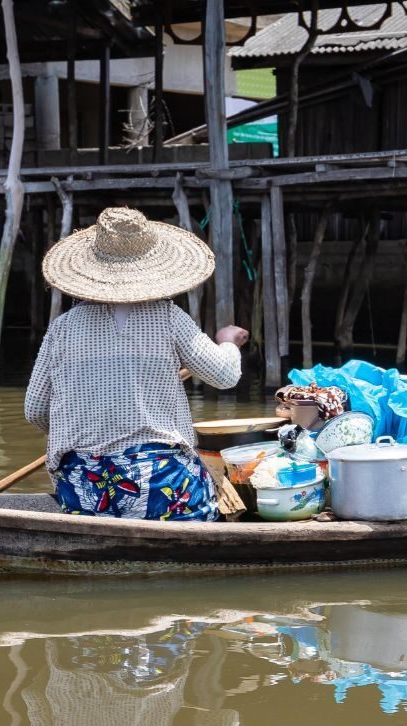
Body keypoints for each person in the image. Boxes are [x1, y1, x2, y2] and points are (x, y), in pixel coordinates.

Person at [26, 206, 246, 521]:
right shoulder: (167, 318)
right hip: (159, 483)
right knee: (218, 494)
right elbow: (225, 375)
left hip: (83, 486)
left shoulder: (62, 327)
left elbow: (34, 410)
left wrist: (77, 425)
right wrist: (227, 341)